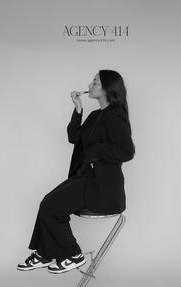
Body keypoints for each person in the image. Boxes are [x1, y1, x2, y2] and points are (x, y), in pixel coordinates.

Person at [17, 69, 136, 274]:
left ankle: (73, 254)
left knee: (50, 205)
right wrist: (78, 109)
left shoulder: (115, 115)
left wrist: (95, 153)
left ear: (108, 88)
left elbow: (126, 151)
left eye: (95, 82)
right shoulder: (96, 115)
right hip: (87, 178)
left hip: (102, 187)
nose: (89, 85)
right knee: (47, 202)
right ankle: (44, 253)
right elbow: (74, 137)